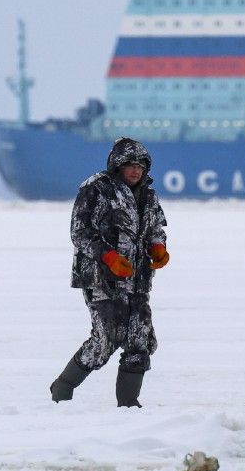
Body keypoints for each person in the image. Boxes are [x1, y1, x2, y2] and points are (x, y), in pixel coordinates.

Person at [49, 137, 169, 407]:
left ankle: (128, 405)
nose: (135, 171)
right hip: (101, 278)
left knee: (140, 340)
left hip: (137, 280)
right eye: (129, 165)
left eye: (140, 165)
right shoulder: (96, 189)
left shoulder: (148, 193)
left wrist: (158, 247)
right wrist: (108, 256)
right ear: (117, 165)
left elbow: (155, 228)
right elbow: (79, 233)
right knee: (106, 339)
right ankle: (63, 387)